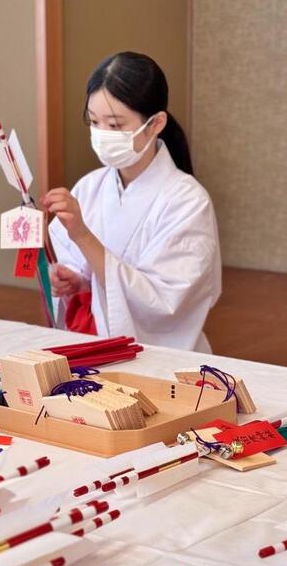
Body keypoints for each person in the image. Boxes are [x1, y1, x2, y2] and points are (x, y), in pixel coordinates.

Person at [44, 51, 221, 352]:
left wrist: (83, 236)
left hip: (161, 359)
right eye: (94, 122)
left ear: (155, 124)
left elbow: (163, 302)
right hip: (88, 346)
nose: (102, 134)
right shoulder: (89, 187)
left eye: (115, 125)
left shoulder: (188, 201)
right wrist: (72, 280)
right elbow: (80, 269)